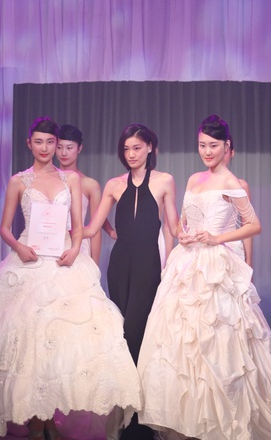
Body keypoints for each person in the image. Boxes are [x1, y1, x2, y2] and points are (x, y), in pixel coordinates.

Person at [0, 118, 141, 440]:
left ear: (56, 145)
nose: (45, 148)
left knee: (59, 343)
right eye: (39, 142)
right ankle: (33, 420)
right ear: (29, 143)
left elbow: (78, 225)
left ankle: (51, 420)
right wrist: (18, 247)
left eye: (50, 142)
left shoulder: (70, 179)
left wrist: (75, 249)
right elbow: (4, 228)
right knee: (26, 340)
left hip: (62, 261)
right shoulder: (19, 181)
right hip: (28, 260)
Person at [137, 115, 271, 440]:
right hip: (187, 263)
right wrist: (183, 234)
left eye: (213, 146)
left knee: (218, 342)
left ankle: (221, 419)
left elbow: (254, 225)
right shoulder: (194, 179)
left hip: (216, 265)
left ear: (226, 146)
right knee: (183, 343)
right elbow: (184, 223)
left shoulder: (231, 182)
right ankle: (190, 420)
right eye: (202, 145)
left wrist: (217, 238)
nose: (207, 151)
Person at [84, 123, 179, 440]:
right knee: (122, 335)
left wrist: (178, 255)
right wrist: (65, 232)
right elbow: (92, 227)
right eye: (126, 149)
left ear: (150, 147)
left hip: (148, 265)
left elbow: (173, 227)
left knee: (138, 332)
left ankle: (140, 417)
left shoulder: (164, 180)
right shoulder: (113, 184)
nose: (131, 154)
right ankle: (126, 412)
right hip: (120, 265)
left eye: (137, 148)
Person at [56, 124, 116, 265]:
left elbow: (95, 229)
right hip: (51, 242)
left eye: (69, 148)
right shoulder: (47, 180)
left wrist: (95, 264)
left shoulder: (90, 185)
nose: (63, 153)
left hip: (79, 246)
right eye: (59, 147)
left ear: (79, 148)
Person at [224, 133, 253, 266]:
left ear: (232, 153)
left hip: (231, 250)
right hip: (203, 250)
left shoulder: (241, 186)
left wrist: (249, 260)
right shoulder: (198, 183)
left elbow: (247, 225)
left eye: (225, 152)